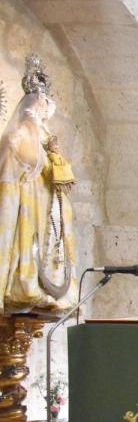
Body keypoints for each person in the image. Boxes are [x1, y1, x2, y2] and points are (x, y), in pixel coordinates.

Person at [0, 80, 77, 316]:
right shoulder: (18, 135)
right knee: (24, 241)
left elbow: (58, 177)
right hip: (25, 202)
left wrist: (52, 155)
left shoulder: (44, 140)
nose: (44, 114)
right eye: (42, 107)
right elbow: (13, 167)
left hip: (43, 205)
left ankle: (46, 287)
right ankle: (22, 284)